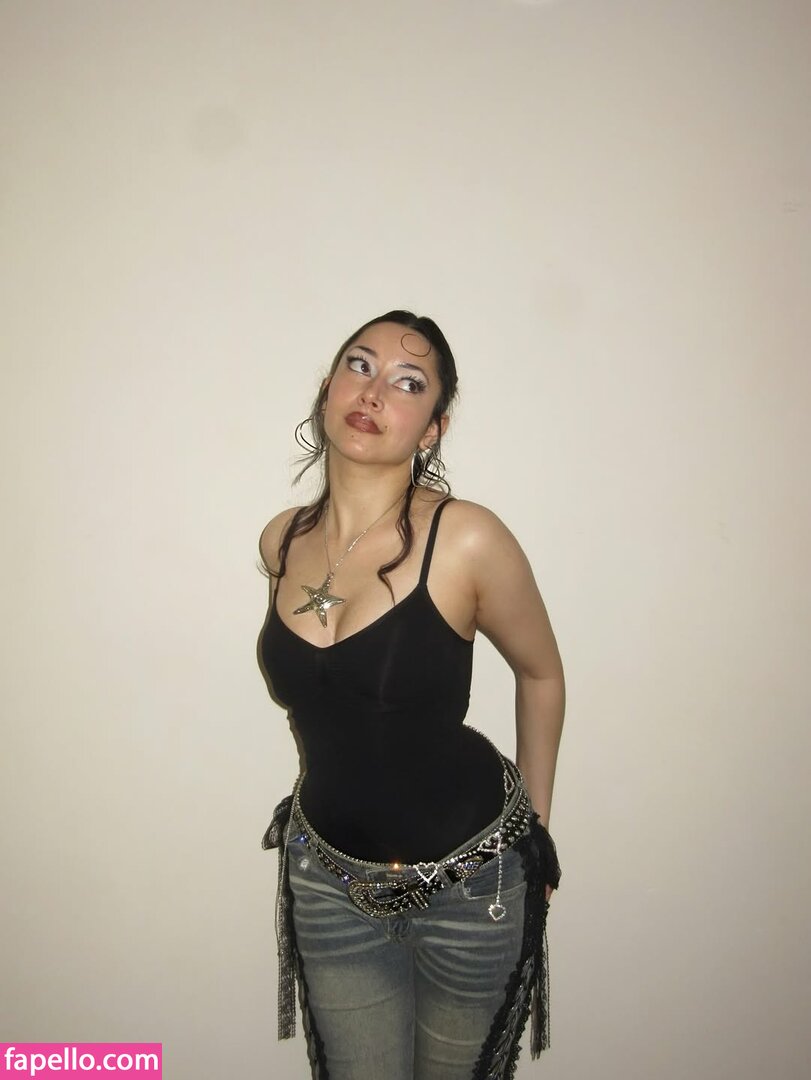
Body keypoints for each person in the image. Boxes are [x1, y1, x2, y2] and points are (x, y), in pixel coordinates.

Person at [258, 311, 565, 1080]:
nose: (373, 392)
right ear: (328, 389)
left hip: (474, 887)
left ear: (432, 428)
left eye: (407, 382)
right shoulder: (282, 539)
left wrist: (536, 834)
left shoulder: (467, 538)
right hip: (327, 881)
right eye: (359, 366)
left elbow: (542, 674)